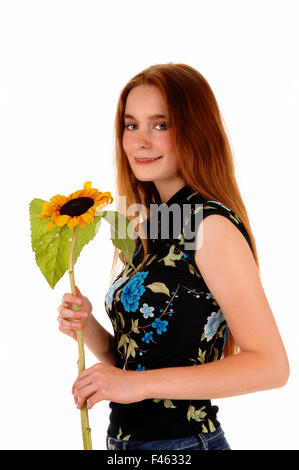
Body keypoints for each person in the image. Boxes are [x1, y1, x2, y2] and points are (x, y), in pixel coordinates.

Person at [57, 63, 289, 451]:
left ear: (196, 131)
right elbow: (136, 363)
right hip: (127, 446)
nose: (139, 141)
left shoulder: (210, 226)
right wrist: (88, 326)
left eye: (160, 125)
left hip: (183, 446)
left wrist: (137, 384)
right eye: (131, 125)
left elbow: (271, 366)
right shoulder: (145, 225)